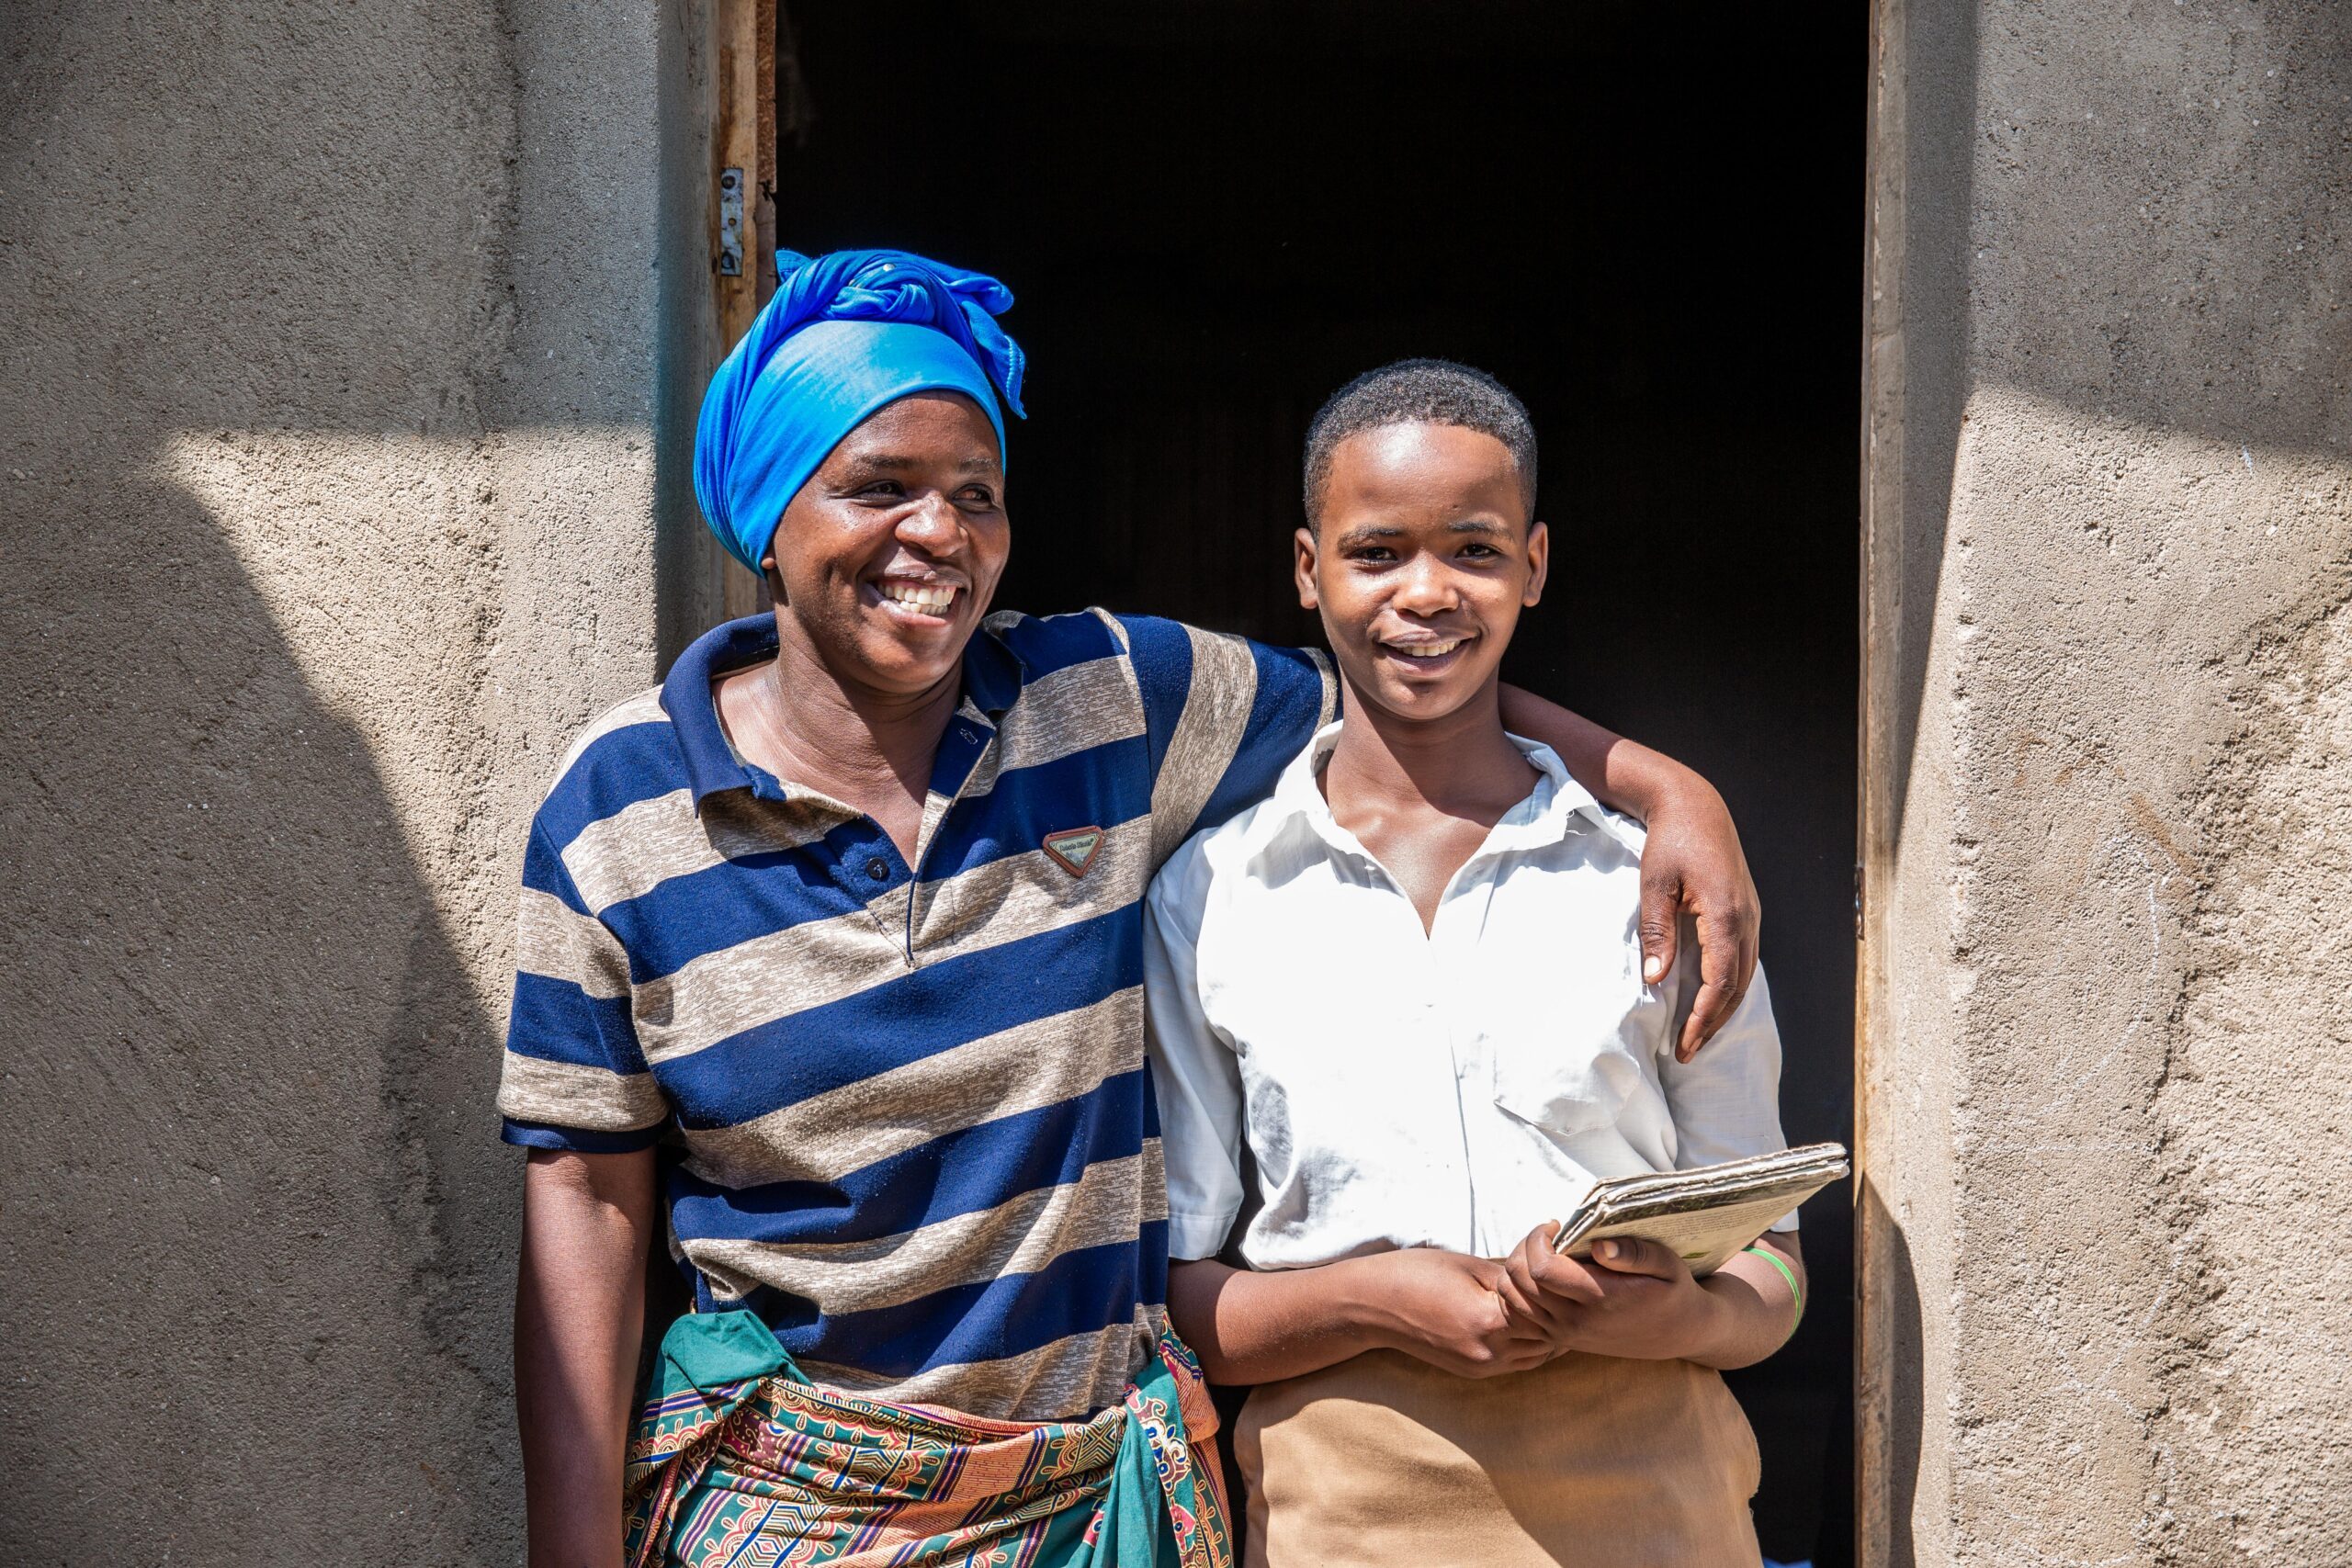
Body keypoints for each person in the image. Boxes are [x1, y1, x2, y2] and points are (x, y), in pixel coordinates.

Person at [499, 252, 1765, 1568]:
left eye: (976, 496)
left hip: (1086, 1505)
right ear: (768, 512)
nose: (938, 536)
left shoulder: (1108, 701)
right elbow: (585, 1206)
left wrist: (1665, 788)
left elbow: (1404, 682)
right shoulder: (618, 817)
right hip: (792, 1503)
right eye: (879, 488)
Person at [1145, 360, 1805, 1568]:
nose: (1427, 594)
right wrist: (1380, 1299)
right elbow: (1188, 1299)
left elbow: (1770, 1278)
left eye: (1477, 551)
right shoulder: (1217, 894)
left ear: (1536, 566)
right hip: (1340, 1520)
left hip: (1658, 1509)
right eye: (1378, 550)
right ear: (1308, 570)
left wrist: (1657, 1319)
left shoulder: (1650, 884)